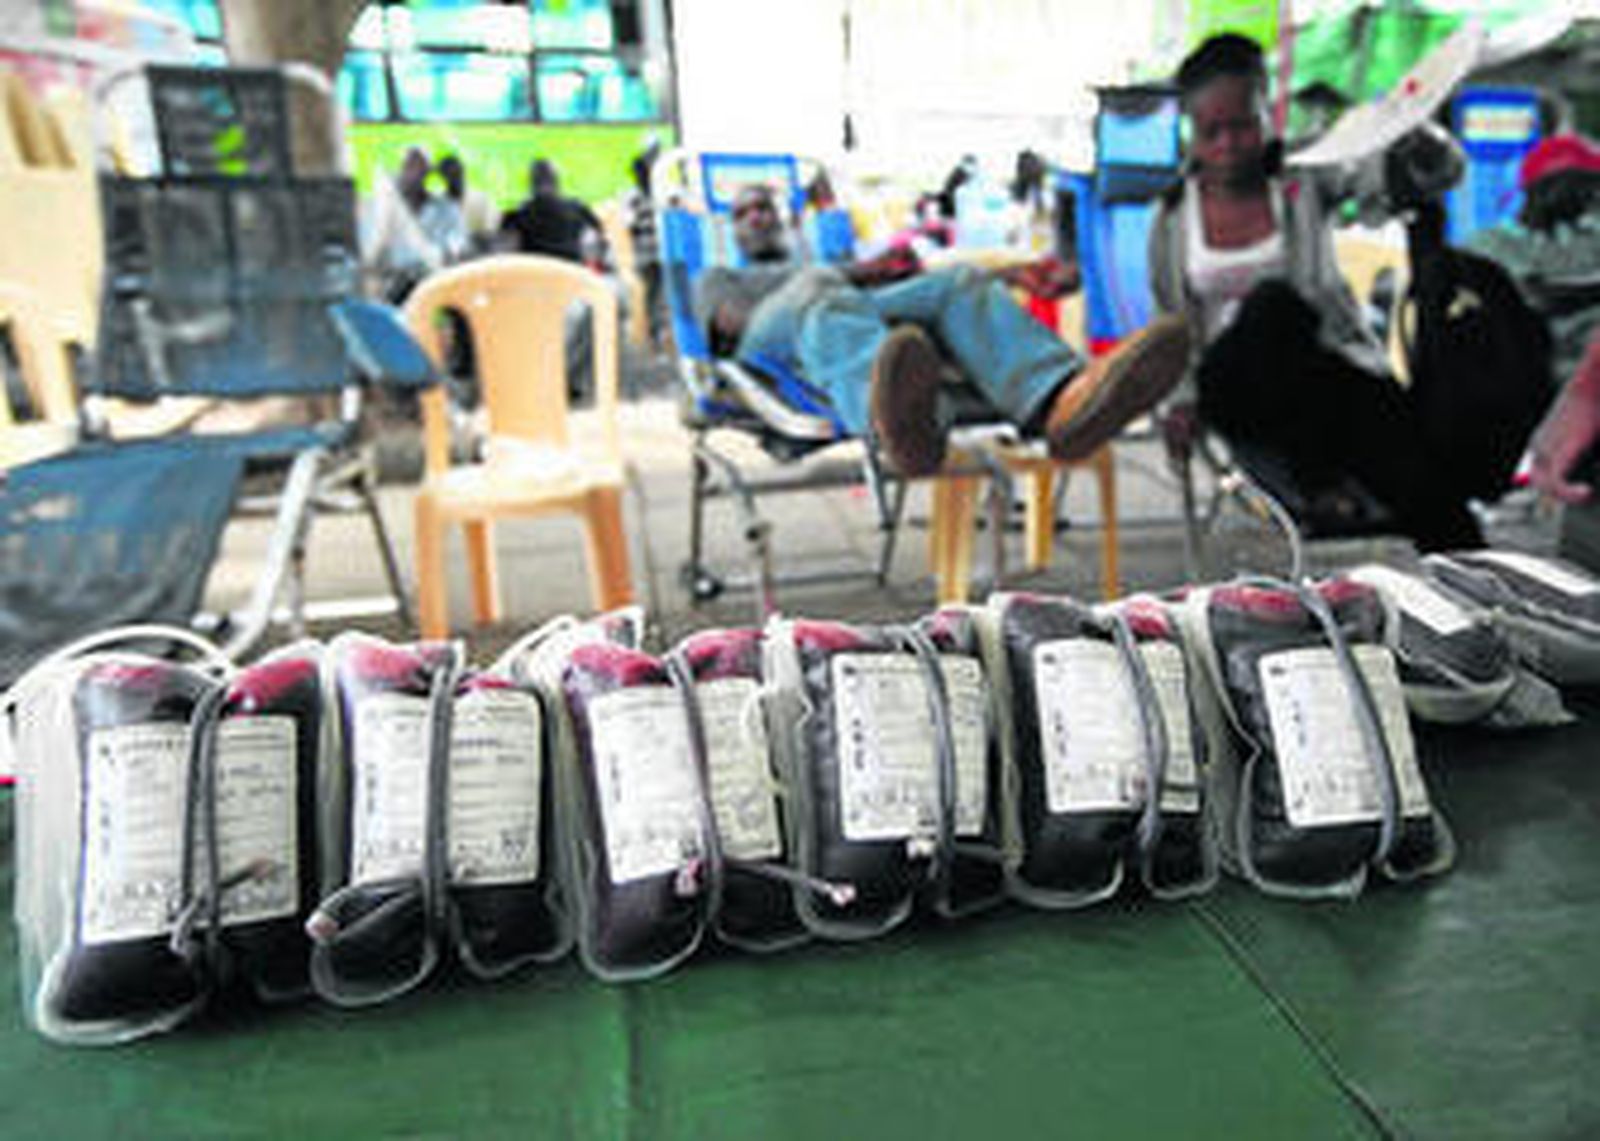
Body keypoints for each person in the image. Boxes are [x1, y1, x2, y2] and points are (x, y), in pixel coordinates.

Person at [1147, 32, 1485, 551]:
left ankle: (1473, 581)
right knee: (1272, 306)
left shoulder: (1305, 172)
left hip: (1329, 379)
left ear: (1267, 111)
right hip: (1236, 391)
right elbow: (1169, 322)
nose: (1228, 145)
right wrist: (1178, 400)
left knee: (1427, 487)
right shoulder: (1171, 216)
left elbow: (1429, 177)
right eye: (1211, 131)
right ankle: (1321, 486)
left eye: (1242, 125)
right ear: (1191, 132)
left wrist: (1418, 142)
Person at [694, 183, 1189, 476]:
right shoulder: (717, 278)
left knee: (957, 281)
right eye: (745, 212)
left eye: (766, 209)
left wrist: (1013, 275)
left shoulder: (830, 265)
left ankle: (1059, 403)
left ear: (784, 220)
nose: (758, 217)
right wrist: (837, 277)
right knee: (818, 293)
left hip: (844, 315)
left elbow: (909, 290)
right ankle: (891, 420)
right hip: (771, 349)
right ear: (730, 228)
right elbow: (729, 323)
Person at [363, 147, 451, 302]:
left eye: (419, 169)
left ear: (428, 174)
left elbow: (454, 246)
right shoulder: (385, 209)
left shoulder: (444, 209)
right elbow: (372, 247)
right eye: (410, 167)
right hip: (393, 285)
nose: (414, 175)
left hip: (430, 283)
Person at [498, 158, 605, 262]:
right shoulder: (577, 207)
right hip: (572, 269)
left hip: (535, 271)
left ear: (532, 183)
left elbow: (502, 243)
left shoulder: (519, 213)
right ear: (556, 181)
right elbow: (600, 232)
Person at [436, 154, 499, 255]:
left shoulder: (482, 200)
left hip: (478, 255)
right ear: (443, 178)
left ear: (463, 173)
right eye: (449, 175)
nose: (453, 179)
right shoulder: (438, 204)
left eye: (456, 174)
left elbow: (490, 235)